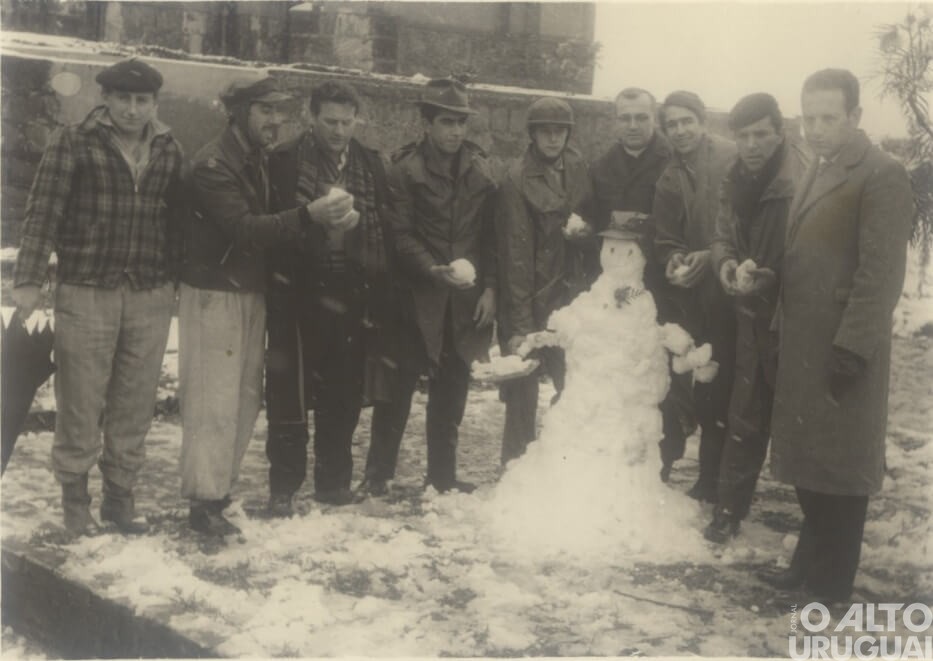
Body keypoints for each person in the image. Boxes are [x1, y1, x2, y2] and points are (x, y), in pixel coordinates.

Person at [759, 69, 914, 602]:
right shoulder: (818, 166)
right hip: (805, 342)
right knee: (810, 460)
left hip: (844, 347)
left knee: (842, 470)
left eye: (830, 117)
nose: (817, 128)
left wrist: (851, 348)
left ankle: (831, 584)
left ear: (855, 117)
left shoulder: (880, 174)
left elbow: (881, 273)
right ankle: (809, 560)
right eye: (810, 117)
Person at [11, 59, 184, 536]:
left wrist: (176, 281)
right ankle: (75, 498)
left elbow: (177, 222)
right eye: (123, 99)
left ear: (154, 103)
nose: (132, 109)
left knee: (135, 399)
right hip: (86, 289)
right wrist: (28, 278)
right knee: (81, 400)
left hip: (149, 291)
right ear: (105, 99)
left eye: (142, 100)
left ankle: (120, 497)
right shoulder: (73, 140)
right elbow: (42, 211)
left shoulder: (169, 148)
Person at [264, 80, 418, 510]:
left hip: (352, 293)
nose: (338, 130)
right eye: (330, 121)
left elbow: (385, 226)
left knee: (343, 393)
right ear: (311, 118)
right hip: (296, 293)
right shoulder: (284, 160)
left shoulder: (371, 163)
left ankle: (333, 484)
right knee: (288, 394)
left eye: (347, 122)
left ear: (357, 121)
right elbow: (274, 222)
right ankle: (284, 488)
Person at [179, 76, 303, 536]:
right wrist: (309, 217)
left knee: (244, 396)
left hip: (248, 290)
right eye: (266, 111)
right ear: (240, 112)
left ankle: (220, 493)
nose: (276, 121)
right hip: (215, 292)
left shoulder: (256, 159)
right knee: (213, 398)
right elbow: (244, 228)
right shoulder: (214, 162)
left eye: (280, 112)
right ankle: (204, 500)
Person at [362, 78, 497, 494]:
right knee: (396, 391)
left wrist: (490, 288)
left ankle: (442, 476)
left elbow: (492, 236)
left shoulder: (480, 170)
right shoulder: (403, 170)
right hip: (414, 297)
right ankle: (378, 475)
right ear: (426, 123)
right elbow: (398, 234)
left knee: (453, 389)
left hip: (463, 301)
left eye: (461, 122)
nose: (456, 131)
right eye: (446, 122)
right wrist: (432, 269)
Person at [704, 93, 807, 543]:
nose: (751, 144)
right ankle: (729, 510)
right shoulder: (733, 179)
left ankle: (819, 528)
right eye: (743, 135)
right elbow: (722, 235)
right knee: (744, 414)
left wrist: (771, 277)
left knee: (800, 419)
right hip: (749, 314)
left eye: (761, 134)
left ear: (780, 132)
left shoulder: (800, 180)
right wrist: (725, 263)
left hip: (795, 318)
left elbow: (811, 255)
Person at [588, 87, 694, 480]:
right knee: (622, 370)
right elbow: (593, 219)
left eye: (641, 117)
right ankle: (619, 459)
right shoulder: (602, 167)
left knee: (661, 371)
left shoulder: (673, 162)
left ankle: (662, 462)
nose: (633, 126)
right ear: (615, 121)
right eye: (625, 117)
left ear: (654, 119)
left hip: (664, 284)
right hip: (618, 286)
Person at [495, 96, 592, 464]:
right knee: (521, 391)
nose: (553, 140)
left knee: (572, 386)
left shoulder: (581, 168)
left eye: (560, 132)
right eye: (545, 132)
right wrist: (520, 323)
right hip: (528, 296)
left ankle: (562, 467)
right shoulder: (515, 179)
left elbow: (590, 218)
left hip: (570, 299)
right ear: (532, 135)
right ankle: (515, 470)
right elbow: (515, 258)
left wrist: (584, 232)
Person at [653, 90, 738, 501]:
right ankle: (705, 480)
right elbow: (665, 232)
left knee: (722, 386)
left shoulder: (730, 158)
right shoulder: (669, 174)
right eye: (672, 124)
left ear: (703, 122)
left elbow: (745, 225)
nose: (680, 130)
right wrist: (673, 257)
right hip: (693, 296)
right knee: (698, 381)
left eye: (687, 121)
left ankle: (716, 481)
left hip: (732, 289)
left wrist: (712, 255)